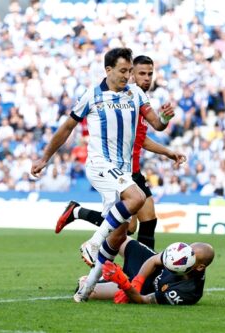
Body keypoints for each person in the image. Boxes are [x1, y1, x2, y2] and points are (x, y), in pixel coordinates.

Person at [30, 48, 174, 302]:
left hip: (123, 170)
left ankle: (86, 290)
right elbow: (66, 128)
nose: (127, 76)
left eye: (130, 71)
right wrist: (45, 157)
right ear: (108, 70)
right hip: (100, 165)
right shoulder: (92, 96)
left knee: (120, 234)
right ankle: (92, 242)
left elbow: (157, 124)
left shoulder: (136, 93)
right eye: (123, 71)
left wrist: (164, 117)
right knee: (137, 198)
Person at [55, 55, 186, 250]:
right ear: (131, 75)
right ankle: (79, 214)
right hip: (119, 169)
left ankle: (141, 271)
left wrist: (167, 152)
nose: (147, 79)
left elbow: (140, 140)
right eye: (142, 74)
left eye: (150, 74)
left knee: (147, 220)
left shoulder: (140, 101)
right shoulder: (123, 100)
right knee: (127, 227)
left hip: (133, 169)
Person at [80, 237, 214, 305]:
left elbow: (142, 299)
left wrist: (125, 284)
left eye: (192, 255)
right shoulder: (181, 252)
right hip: (149, 269)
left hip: (147, 289)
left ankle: (107, 277)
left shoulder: (186, 292)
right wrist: (138, 281)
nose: (185, 254)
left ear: (200, 267)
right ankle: (96, 260)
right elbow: (153, 261)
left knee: (85, 289)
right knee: (118, 237)